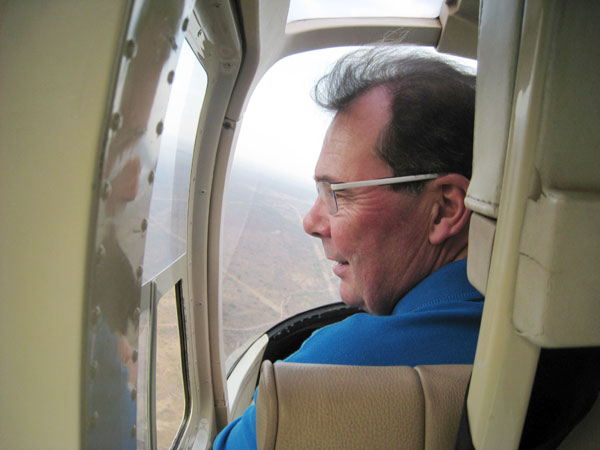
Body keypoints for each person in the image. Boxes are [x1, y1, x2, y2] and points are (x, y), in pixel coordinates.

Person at [214, 46, 482, 449]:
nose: (311, 222)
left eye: (337, 194)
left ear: (443, 209)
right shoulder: (530, 333)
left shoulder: (343, 363)